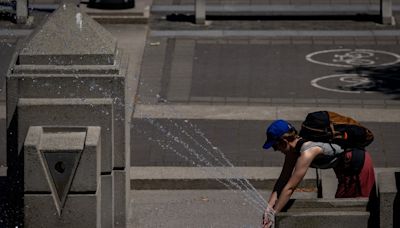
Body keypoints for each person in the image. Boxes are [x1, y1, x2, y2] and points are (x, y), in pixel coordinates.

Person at [261, 119, 376, 228]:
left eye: (275, 147)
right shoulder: (293, 151)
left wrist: (273, 215)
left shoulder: (307, 152)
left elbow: (290, 188)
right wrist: (269, 208)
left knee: (355, 209)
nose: (276, 150)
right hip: (343, 168)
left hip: (358, 164)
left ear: (284, 141)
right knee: (342, 204)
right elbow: (283, 179)